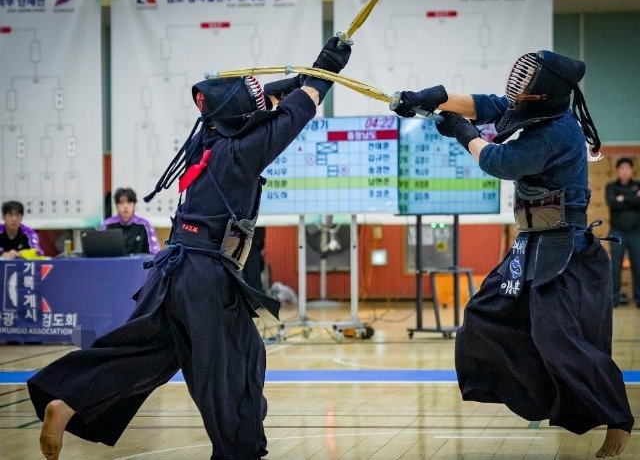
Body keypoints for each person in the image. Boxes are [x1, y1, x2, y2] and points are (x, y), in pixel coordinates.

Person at [27, 36, 350, 460]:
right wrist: (327, 68)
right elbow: (296, 111)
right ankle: (239, 453)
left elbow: (262, 104)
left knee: (146, 354)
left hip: (171, 272)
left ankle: (69, 399)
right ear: (243, 116)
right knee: (235, 367)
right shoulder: (243, 152)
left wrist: (301, 75)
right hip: (206, 278)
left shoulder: (206, 140)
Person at [392, 50, 633, 458]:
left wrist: (463, 131)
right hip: (530, 243)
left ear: (543, 92)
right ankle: (541, 396)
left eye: (526, 83)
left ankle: (618, 419)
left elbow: (498, 161)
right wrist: (433, 98)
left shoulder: (557, 131)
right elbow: (487, 104)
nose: (516, 89)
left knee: (557, 336)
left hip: (563, 247)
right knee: (485, 314)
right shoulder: (535, 109)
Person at [606, 157, 640, 307]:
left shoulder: (638, 184)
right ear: (617, 171)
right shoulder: (611, 186)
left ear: (631, 170)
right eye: (622, 168)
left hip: (636, 232)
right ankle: (613, 299)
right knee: (615, 266)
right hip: (617, 232)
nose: (625, 171)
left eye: (627, 168)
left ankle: (639, 298)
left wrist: (623, 198)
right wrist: (633, 198)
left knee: (638, 265)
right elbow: (612, 203)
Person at [100, 187, 161, 255]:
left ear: (134, 205)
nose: (125, 206)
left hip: (139, 261)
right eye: (121, 203)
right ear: (116, 206)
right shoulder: (107, 224)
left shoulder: (145, 224)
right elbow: (100, 252)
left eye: (129, 202)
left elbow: (155, 252)